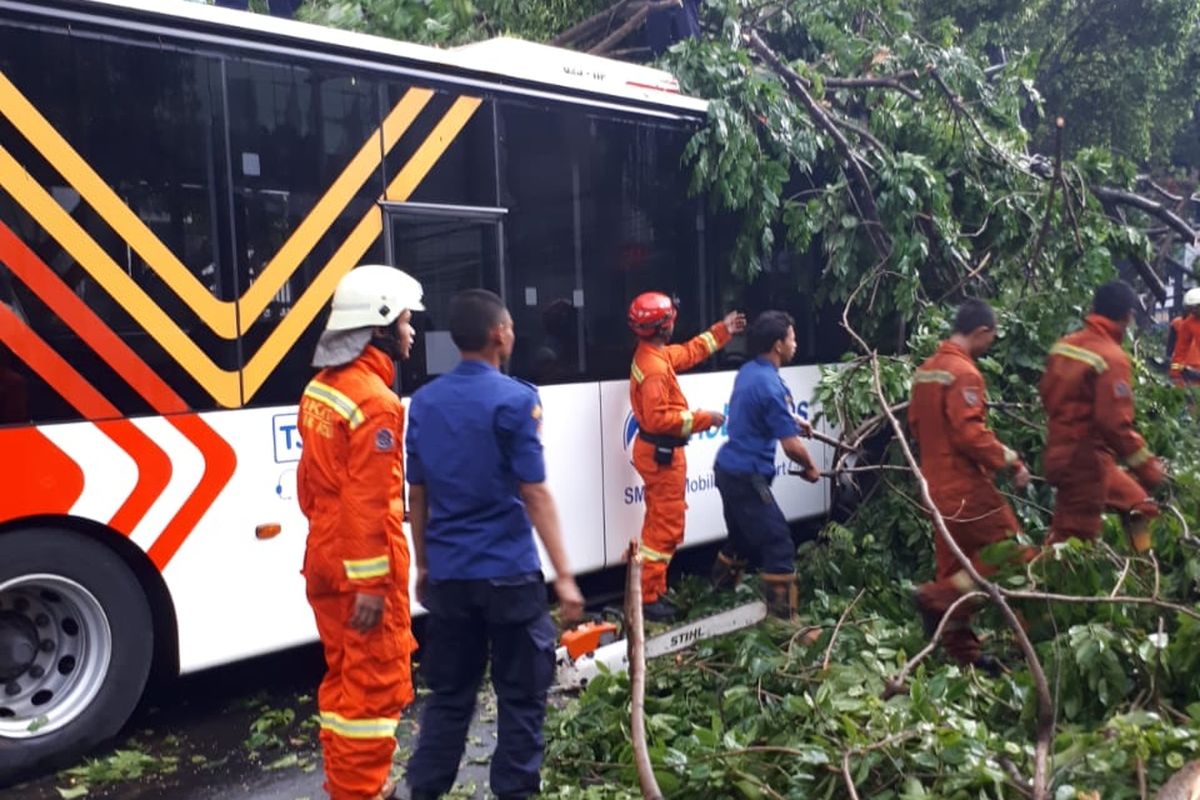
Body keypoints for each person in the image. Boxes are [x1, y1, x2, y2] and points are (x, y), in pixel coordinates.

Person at [405, 289, 585, 800]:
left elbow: (417, 493)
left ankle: (423, 792)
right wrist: (566, 576)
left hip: (450, 578)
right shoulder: (516, 399)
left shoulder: (425, 401)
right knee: (522, 700)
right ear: (498, 334)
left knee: (449, 698)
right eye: (508, 325)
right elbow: (534, 492)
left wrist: (423, 565)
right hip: (508, 576)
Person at [296, 264, 424, 800]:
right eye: (405, 320)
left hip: (326, 555)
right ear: (378, 327)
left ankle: (350, 786)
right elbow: (366, 500)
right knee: (373, 692)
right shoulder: (376, 401)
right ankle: (362, 792)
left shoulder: (321, 389)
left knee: (343, 681)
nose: (412, 331)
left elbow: (314, 486)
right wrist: (371, 583)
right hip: (360, 571)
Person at [908, 298, 1031, 674]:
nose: (990, 344)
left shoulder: (926, 371)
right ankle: (934, 599)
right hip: (965, 487)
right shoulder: (964, 373)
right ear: (981, 332)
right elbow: (970, 434)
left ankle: (969, 658)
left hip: (934, 489)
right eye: (991, 337)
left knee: (955, 569)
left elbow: (915, 425)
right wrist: (1010, 462)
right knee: (1013, 552)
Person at [627, 292, 746, 622]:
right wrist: (704, 418)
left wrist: (722, 331)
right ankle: (648, 599)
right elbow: (658, 419)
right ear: (664, 325)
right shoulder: (653, 367)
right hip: (661, 453)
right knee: (664, 527)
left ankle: (653, 589)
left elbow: (690, 352)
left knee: (660, 522)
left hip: (660, 453)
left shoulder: (655, 355)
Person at [708, 311, 820, 619]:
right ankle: (783, 623)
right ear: (778, 344)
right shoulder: (771, 385)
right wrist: (811, 467)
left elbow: (763, 410)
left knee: (742, 539)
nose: (795, 343)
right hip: (747, 477)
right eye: (792, 338)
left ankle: (716, 600)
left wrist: (793, 419)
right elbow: (791, 446)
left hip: (727, 470)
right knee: (778, 542)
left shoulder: (750, 371)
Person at [1041, 280, 1166, 553]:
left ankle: (1147, 568)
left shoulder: (1062, 347)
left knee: (1141, 507)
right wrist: (1149, 468)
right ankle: (1045, 588)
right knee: (1073, 546)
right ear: (1127, 317)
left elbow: (1047, 396)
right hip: (1085, 464)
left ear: (1092, 308)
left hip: (1073, 455)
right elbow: (1115, 425)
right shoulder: (1112, 357)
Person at [1168, 287, 1200, 386]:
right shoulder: (1188, 324)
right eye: (1190, 308)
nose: (1193, 311)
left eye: (1195, 308)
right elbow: (1180, 351)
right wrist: (1174, 373)